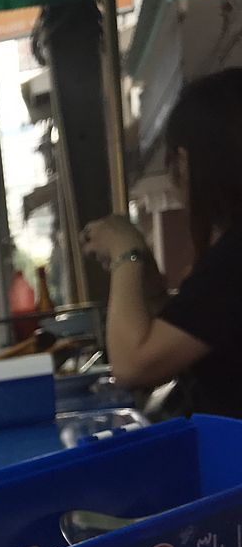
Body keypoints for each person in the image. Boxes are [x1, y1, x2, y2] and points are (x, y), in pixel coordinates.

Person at [81, 68, 242, 418]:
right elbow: (185, 334)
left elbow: (133, 365)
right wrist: (148, 280)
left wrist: (125, 252)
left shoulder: (233, 261)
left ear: (184, 161)